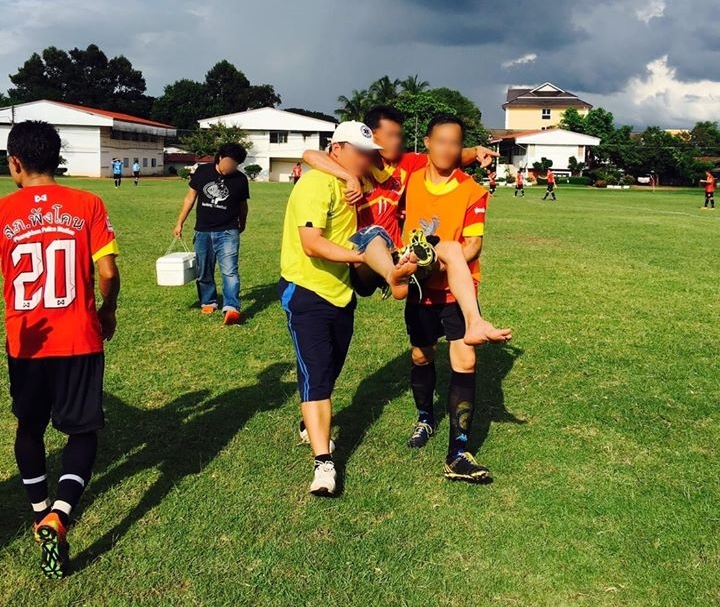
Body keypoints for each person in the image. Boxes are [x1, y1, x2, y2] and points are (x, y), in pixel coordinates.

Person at [0, 120, 120, 578]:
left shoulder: (4, 211)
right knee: (82, 431)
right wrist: (107, 310)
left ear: (15, 163)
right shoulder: (87, 202)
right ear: (57, 158)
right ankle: (61, 514)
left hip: (26, 341)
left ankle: (37, 511)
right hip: (79, 337)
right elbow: (106, 272)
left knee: (29, 429)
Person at [303, 105, 499, 343]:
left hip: (397, 256)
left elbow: (448, 154)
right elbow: (310, 155)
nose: (397, 141)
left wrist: (476, 150)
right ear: (371, 136)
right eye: (391, 135)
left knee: (449, 249)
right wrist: (349, 177)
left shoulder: (408, 163)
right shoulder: (355, 163)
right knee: (374, 235)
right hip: (364, 261)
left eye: (400, 135)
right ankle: (395, 278)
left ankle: (471, 320)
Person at [402, 114, 512, 482]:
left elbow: (473, 244)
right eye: (441, 141)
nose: (448, 149)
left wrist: (437, 263)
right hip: (419, 290)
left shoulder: (473, 191)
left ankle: (459, 451)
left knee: (465, 360)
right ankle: (424, 418)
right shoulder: (410, 179)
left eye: (455, 142)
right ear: (428, 143)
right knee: (421, 354)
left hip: (457, 288)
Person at [279, 121, 381, 497]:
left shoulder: (351, 181)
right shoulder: (315, 184)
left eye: (368, 153)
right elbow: (312, 244)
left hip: (341, 292)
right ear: (337, 149)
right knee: (317, 374)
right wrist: (364, 257)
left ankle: (309, 423)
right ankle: (324, 463)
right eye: (358, 151)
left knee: (331, 366)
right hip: (306, 291)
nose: (365, 159)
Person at [173, 143, 249, 325]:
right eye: (230, 162)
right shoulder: (202, 172)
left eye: (236, 164)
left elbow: (242, 206)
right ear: (220, 157)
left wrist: (243, 223)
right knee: (204, 270)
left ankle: (231, 307)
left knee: (230, 271)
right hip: (203, 231)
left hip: (228, 231)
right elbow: (190, 197)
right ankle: (208, 301)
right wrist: (179, 222)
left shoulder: (240, 179)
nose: (232, 167)